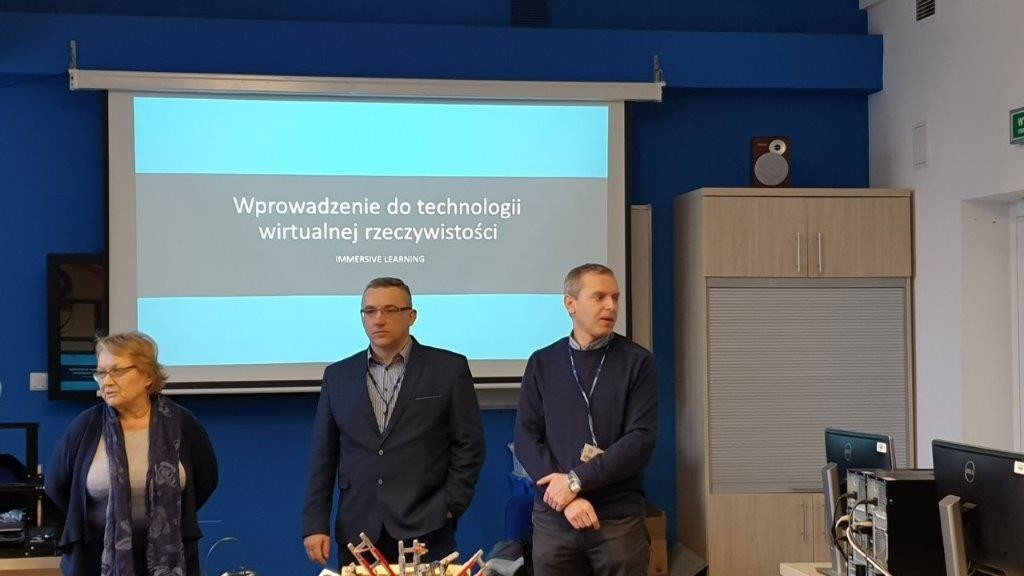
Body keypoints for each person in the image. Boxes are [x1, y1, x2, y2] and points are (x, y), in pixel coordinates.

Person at [302, 277, 485, 568]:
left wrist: (450, 506)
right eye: (370, 311)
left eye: (390, 310)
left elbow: (470, 445)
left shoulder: (448, 369)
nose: (379, 319)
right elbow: (323, 456)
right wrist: (315, 523)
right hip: (358, 529)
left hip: (426, 524)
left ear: (411, 316)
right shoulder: (338, 376)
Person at [514, 264, 658, 576]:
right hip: (556, 517)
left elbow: (641, 440)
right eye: (599, 297)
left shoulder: (637, 361)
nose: (611, 306)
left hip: (617, 518)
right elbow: (526, 437)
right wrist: (566, 499)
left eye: (615, 298)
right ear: (571, 303)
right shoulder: (542, 362)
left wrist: (575, 481)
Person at [45, 332, 219, 576]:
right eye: (101, 373)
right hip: (98, 559)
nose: (107, 381)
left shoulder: (182, 423)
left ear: (148, 376)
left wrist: (166, 517)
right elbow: (56, 485)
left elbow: (205, 480)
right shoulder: (86, 426)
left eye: (117, 371)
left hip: (170, 557)